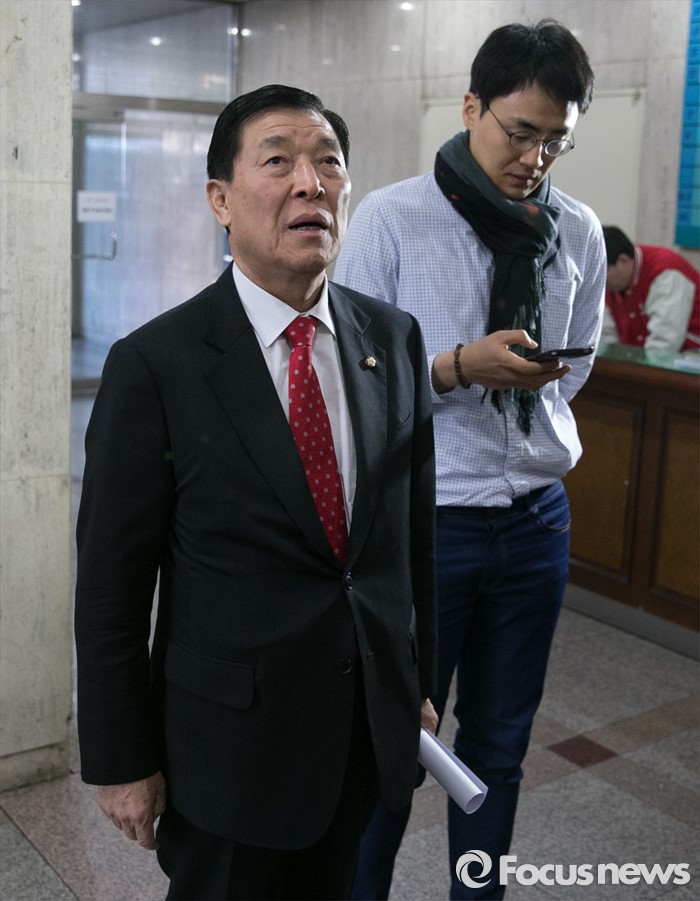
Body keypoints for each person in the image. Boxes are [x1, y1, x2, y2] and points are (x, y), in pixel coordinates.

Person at [74, 84, 438, 901]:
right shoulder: (157, 365)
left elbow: (412, 541)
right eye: (279, 162)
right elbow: (110, 588)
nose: (311, 183)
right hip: (229, 754)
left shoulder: (393, 339)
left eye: (329, 163)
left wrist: (417, 683)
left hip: (361, 732)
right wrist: (122, 757)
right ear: (221, 200)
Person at [335, 20, 606, 900]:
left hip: (535, 522)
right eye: (519, 132)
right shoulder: (392, 219)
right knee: (394, 743)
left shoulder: (578, 231)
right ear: (470, 108)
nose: (535, 158)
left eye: (556, 140)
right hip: (427, 521)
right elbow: (351, 377)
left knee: (499, 746)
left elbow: (578, 365)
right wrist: (456, 367)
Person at [601, 225, 700, 353]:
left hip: (688, 355)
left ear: (623, 260)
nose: (600, 279)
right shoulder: (611, 282)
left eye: (603, 271)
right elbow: (607, 337)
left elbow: (665, 340)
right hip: (641, 357)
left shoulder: (665, 272)